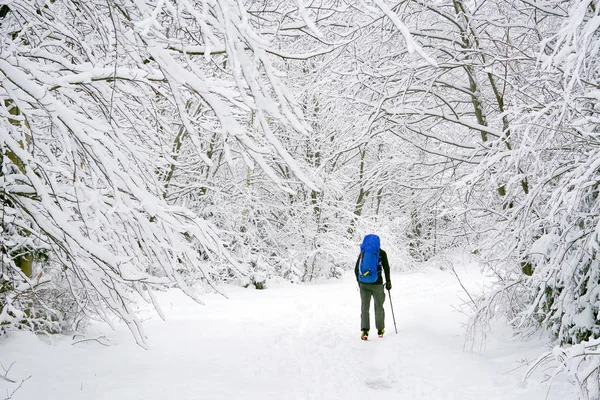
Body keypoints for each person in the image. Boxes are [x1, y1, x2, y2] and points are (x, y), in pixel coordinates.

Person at [354, 234, 391, 340]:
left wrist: (359, 282)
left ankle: (365, 331)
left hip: (364, 284)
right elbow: (386, 268)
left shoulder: (363, 253)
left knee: (364, 307)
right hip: (377, 283)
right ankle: (380, 330)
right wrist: (388, 282)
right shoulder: (381, 253)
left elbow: (356, 269)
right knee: (379, 306)